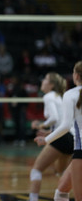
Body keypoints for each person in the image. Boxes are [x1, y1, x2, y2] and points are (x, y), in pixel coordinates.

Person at [35, 61, 82, 201]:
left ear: (76, 75)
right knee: (62, 188)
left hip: (80, 151)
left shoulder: (71, 94)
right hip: (77, 149)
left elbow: (65, 126)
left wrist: (46, 139)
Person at [29, 72, 73, 201]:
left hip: (61, 137)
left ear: (51, 84)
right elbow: (62, 122)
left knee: (36, 170)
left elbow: (54, 118)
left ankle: (33, 199)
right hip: (69, 137)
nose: (42, 81)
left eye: (46, 79)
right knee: (61, 172)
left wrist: (41, 125)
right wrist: (49, 132)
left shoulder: (48, 96)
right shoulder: (59, 97)